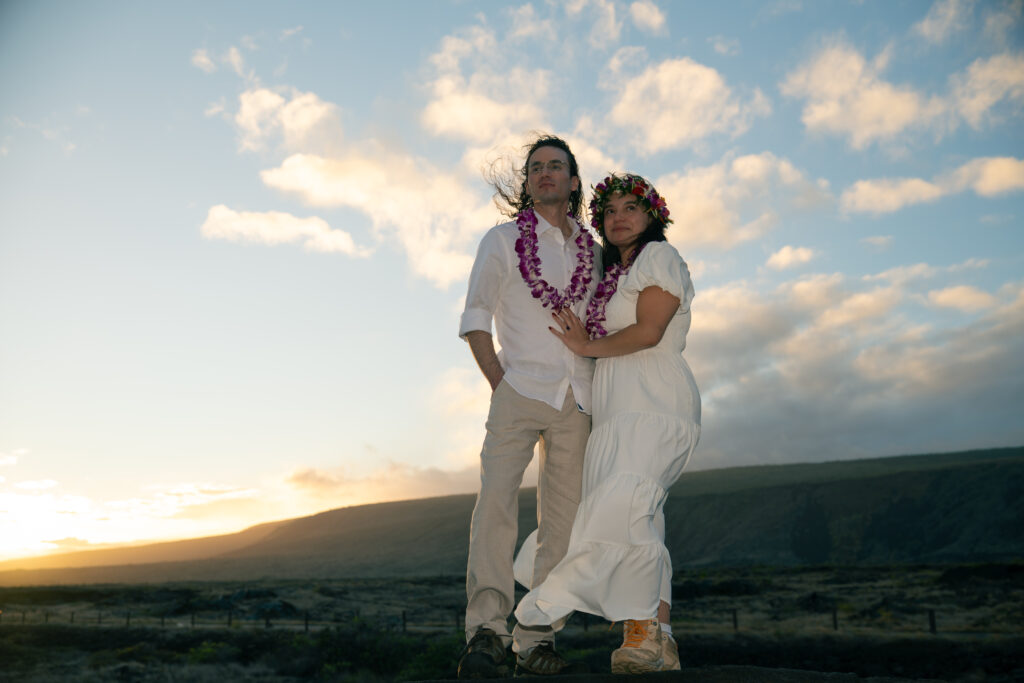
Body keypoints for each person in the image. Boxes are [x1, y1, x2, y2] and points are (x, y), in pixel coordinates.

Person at [513, 172, 701, 674]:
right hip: (614, 406)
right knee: (640, 516)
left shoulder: (660, 257)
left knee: (625, 508)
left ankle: (639, 632)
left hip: (653, 398)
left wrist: (584, 346)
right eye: (610, 211)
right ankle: (658, 641)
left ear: (651, 216)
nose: (619, 218)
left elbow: (648, 331)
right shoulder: (612, 274)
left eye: (630, 209)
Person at [456, 135, 602, 678]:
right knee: (494, 505)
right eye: (536, 167)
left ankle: (537, 637)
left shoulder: (593, 250)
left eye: (555, 166)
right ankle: (487, 634)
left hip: (576, 400)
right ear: (527, 182)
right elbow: (475, 315)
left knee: (563, 526)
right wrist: (499, 379)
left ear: (572, 181)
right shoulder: (501, 240)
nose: (545, 173)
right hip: (517, 391)